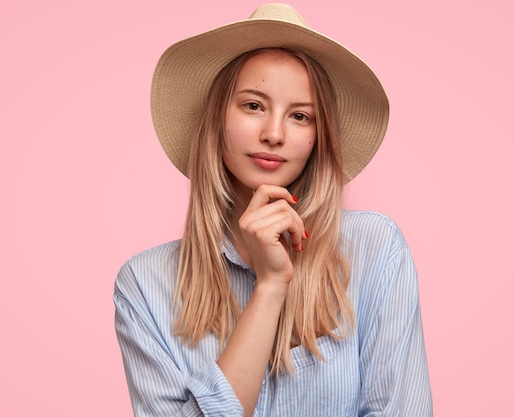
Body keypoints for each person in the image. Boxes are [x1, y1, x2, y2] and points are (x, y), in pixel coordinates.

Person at [114, 3, 432, 416]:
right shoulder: (145, 284)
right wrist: (269, 288)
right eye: (253, 106)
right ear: (216, 119)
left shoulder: (374, 249)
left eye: (300, 116)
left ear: (318, 138)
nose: (274, 133)